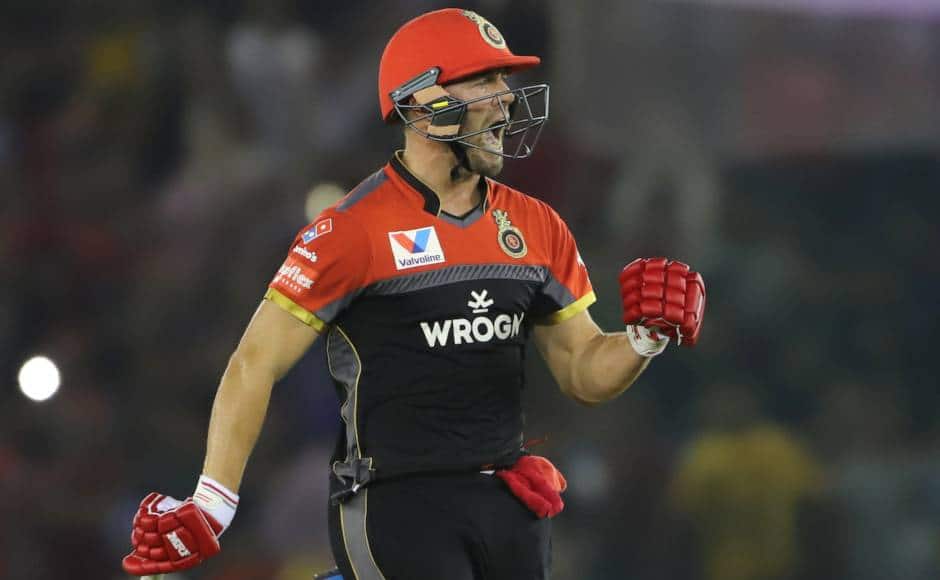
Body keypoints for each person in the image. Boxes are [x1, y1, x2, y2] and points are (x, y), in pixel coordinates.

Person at [121, 8, 706, 580]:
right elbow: (255, 361)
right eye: (485, 80)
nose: (506, 97)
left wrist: (642, 340)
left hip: (507, 507)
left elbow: (582, 371)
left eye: (503, 79)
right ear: (424, 102)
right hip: (396, 503)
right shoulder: (352, 230)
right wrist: (213, 502)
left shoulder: (537, 226)